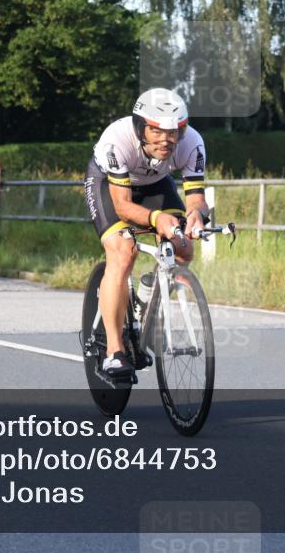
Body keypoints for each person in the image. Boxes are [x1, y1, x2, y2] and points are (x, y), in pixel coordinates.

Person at [84, 88, 210, 376]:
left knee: (183, 248)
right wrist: (156, 218)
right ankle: (114, 351)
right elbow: (123, 206)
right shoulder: (117, 140)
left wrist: (196, 215)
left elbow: (196, 197)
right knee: (122, 252)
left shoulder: (192, 143)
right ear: (141, 127)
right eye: (156, 131)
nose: (166, 139)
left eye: (174, 131)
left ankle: (146, 295)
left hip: (156, 183)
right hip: (110, 185)